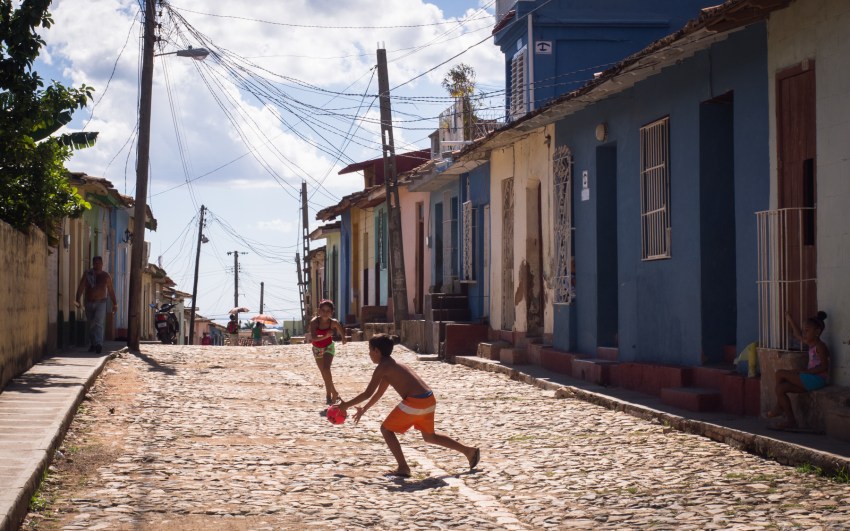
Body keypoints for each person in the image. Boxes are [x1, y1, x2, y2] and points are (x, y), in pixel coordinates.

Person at [337, 334, 480, 478]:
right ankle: (468, 451)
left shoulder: (383, 367)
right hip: (429, 400)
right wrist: (364, 409)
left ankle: (403, 467)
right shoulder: (393, 365)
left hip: (415, 402)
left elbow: (367, 393)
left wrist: (345, 406)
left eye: (369, 350)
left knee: (386, 429)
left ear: (376, 351)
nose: (369, 354)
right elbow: (379, 393)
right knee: (430, 437)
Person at [766, 310, 831, 430]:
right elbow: (797, 335)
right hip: (810, 379)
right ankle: (791, 421)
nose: (804, 334)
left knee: (780, 373)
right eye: (804, 330)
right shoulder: (810, 343)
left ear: (817, 332)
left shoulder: (820, 346)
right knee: (781, 388)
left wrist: (805, 372)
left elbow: (824, 367)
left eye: (807, 331)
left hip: (817, 380)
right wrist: (790, 320)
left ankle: (778, 407)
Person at [74, 256, 117, 354]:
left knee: (98, 322)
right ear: (93, 264)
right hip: (89, 302)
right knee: (91, 324)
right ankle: (93, 343)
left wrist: (115, 304)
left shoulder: (106, 276)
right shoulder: (88, 274)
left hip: (101, 303)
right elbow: (81, 287)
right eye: (95, 263)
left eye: (99, 263)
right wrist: (77, 299)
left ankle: (99, 344)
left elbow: (110, 290)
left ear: (102, 264)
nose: (97, 265)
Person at [307, 299, 347, 405]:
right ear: (319, 311)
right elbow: (314, 338)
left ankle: (328, 396)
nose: (325, 313)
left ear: (331, 312)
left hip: (329, 346)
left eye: (328, 311)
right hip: (317, 348)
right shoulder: (314, 322)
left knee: (326, 369)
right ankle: (334, 392)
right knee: (324, 373)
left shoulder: (332, 322)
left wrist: (343, 338)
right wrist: (325, 335)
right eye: (323, 310)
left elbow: (339, 327)